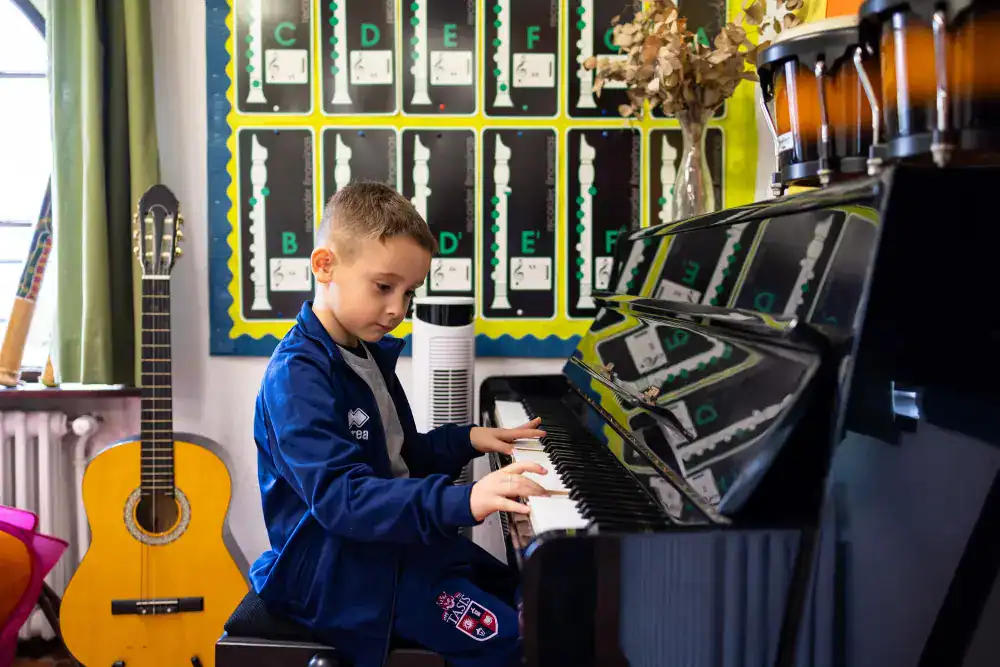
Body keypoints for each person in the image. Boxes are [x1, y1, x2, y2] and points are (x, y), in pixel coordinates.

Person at [250, 182, 549, 667]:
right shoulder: (297, 377)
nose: (398, 310)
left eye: (408, 292)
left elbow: (398, 458)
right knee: (517, 642)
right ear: (325, 266)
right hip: (345, 575)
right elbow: (341, 499)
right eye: (384, 287)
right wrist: (464, 500)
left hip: (393, 549)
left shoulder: (363, 354)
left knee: (543, 598)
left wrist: (468, 439)